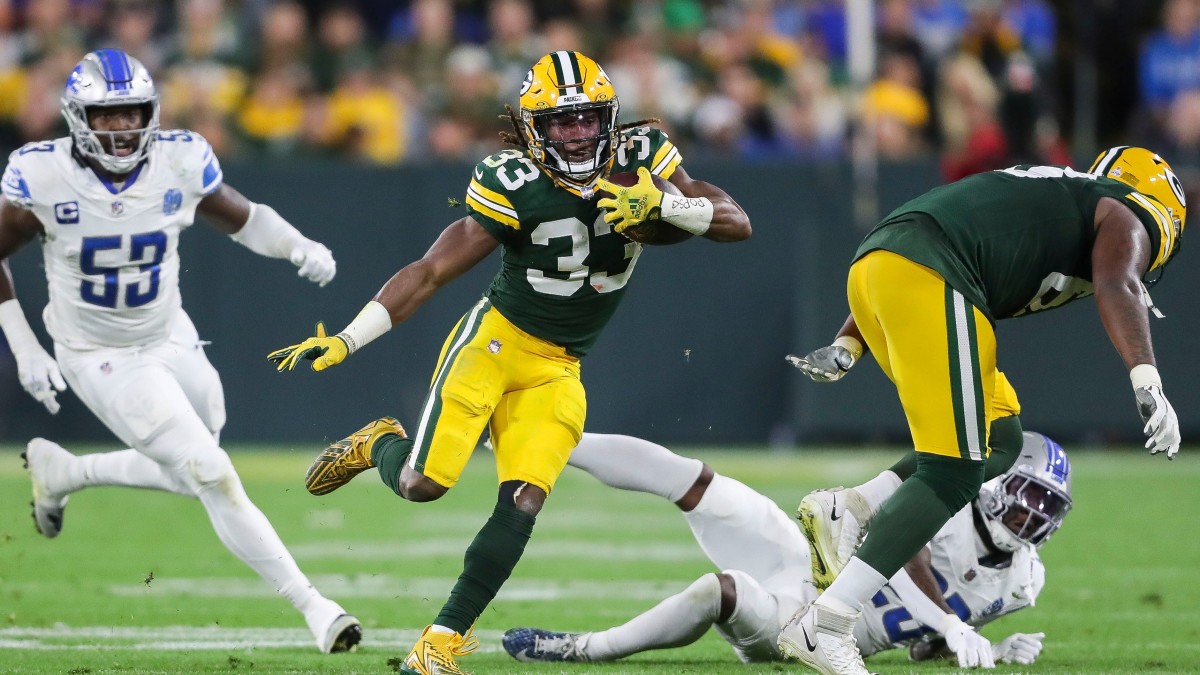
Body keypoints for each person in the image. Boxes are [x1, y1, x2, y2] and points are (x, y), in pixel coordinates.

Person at [266, 50, 752, 675]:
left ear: (610, 118)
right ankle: (379, 443)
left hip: (561, 365)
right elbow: (430, 270)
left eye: (586, 119)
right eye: (560, 122)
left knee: (523, 499)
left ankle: (439, 644)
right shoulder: (511, 178)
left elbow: (737, 222)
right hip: (495, 343)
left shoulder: (643, 157)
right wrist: (350, 338)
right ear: (532, 128)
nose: (576, 134)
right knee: (422, 485)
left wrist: (668, 206)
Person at [0, 49, 360, 654]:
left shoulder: (178, 159)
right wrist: (24, 346)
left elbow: (244, 219)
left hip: (171, 332)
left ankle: (68, 472)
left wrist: (298, 246)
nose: (122, 128)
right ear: (77, 117)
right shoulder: (43, 175)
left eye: (132, 113)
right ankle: (315, 607)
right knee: (211, 472)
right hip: (98, 354)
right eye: (106, 116)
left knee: (198, 460)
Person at [778, 148, 1185, 674]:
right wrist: (1147, 379)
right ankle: (826, 623)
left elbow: (922, 238)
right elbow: (1117, 282)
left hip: (887, 268)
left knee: (1001, 441)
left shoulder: (1063, 199)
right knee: (954, 473)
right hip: (931, 274)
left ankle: (854, 506)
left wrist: (849, 344)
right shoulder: (1129, 209)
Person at [501, 431, 1065, 668]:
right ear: (995, 487)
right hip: (809, 561)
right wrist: (948, 622)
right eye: (1027, 498)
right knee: (700, 484)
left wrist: (990, 647)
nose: (1032, 516)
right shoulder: (952, 505)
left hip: (813, 627)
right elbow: (901, 545)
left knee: (717, 591)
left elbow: (920, 650)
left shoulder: (1021, 584)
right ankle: (548, 438)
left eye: (1046, 506)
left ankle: (585, 648)